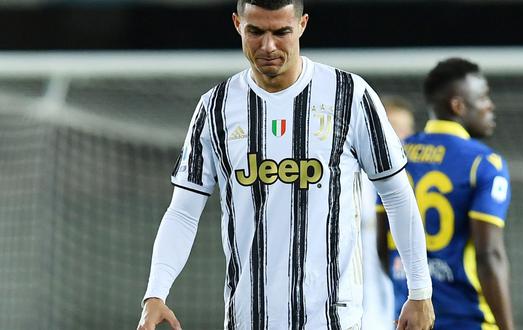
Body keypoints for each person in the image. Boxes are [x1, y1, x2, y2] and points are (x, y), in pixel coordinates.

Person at [137, 1, 434, 329]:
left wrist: (420, 290)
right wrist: (156, 293)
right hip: (249, 318)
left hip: (334, 320)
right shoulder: (216, 107)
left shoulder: (349, 96)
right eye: (255, 31)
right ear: (237, 24)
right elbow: (183, 211)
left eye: (281, 32)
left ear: (302, 25)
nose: (268, 45)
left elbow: (397, 195)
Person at [381, 58, 514, 330]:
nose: (490, 106)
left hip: (409, 318)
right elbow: (489, 256)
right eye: (484, 97)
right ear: (458, 106)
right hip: (468, 319)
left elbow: (383, 246)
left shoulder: (395, 154)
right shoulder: (484, 164)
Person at [361, 96, 415, 330]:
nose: (396, 138)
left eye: (402, 130)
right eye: (390, 128)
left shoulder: (417, 183)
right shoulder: (356, 177)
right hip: (362, 284)